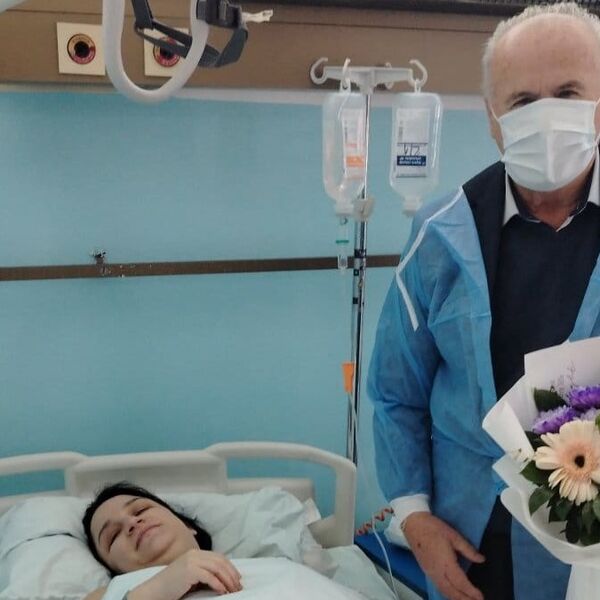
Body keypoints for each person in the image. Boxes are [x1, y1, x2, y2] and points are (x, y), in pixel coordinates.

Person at [368, 3, 600, 600]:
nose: (545, 116)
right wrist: (413, 517)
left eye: (568, 93)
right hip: (467, 541)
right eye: (522, 101)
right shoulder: (442, 236)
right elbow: (396, 393)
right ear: (493, 119)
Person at [82, 482, 243, 600]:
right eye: (113, 535)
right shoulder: (112, 592)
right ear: (114, 570)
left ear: (187, 525)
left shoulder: (254, 565)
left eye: (141, 510)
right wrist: (155, 590)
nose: (132, 522)